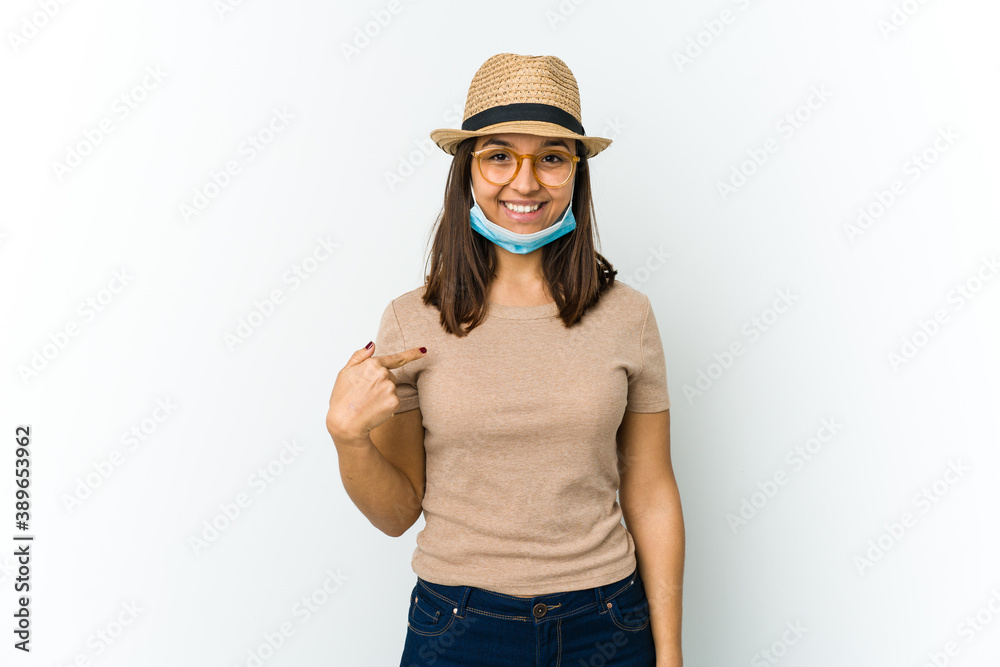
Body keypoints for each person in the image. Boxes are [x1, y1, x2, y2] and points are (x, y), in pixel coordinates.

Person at [326, 53, 684, 666]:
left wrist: (670, 653)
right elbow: (396, 514)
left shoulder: (629, 315)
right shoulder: (411, 320)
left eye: (551, 157)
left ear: (576, 174)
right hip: (458, 628)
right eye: (499, 156)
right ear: (467, 169)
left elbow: (651, 492)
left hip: (606, 623)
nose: (525, 182)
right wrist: (348, 438)